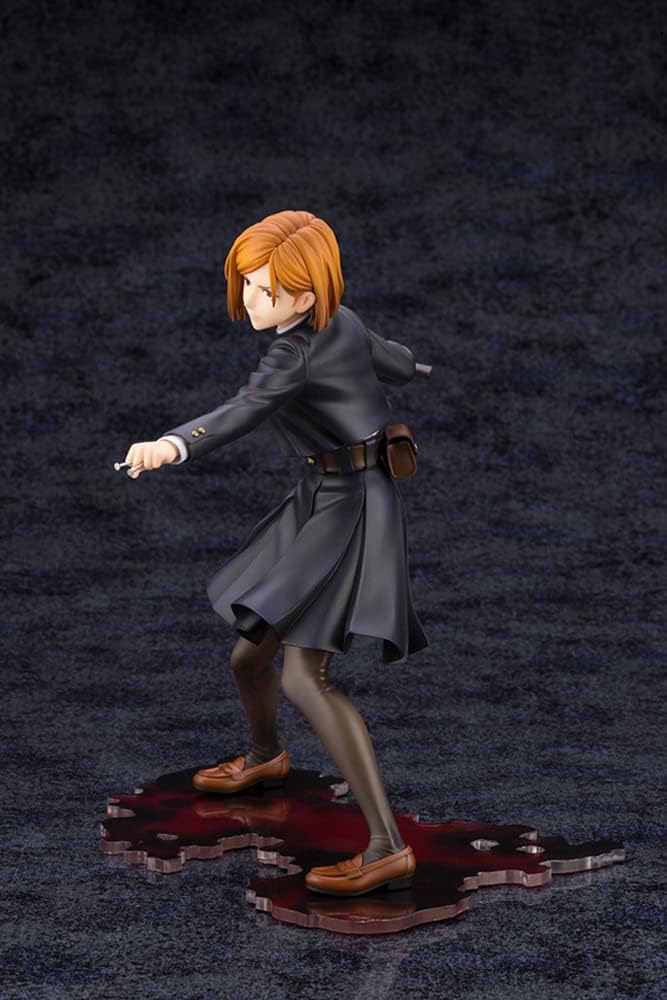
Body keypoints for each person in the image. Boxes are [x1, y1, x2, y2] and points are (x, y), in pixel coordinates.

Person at [123, 210, 430, 895]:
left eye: (266, 290)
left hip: (350, 509)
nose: (251, 300)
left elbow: (243, 409)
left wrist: (172, 445)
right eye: (248, 284)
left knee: (304, 678)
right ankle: (265, 757)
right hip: (321, 497)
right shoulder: (342, 320)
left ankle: (387, 847)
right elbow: (391, 358)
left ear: (306, 293)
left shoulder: (293, 355)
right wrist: (414, 366)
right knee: (249, 653)